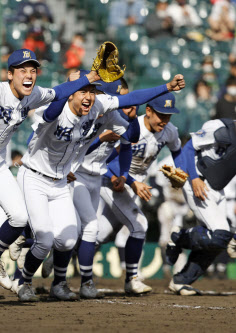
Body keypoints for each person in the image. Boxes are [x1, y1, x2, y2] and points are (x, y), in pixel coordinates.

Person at [0, 48, 103, 306]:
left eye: (33, 70)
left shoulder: (33, 94)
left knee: (20, 217)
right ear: (10, 74)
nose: (29, 75)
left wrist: (89, 77)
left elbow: (59, 92)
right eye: (22, 70)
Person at [14, 74, 184, 302]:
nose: (90, 97)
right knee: (72, 232)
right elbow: (35, 139)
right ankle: (28, 265)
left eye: (93, 92)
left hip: (73, 176)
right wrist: (102, 138)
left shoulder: (104, 108)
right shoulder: (60, 108)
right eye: (85, 91)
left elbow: (130, 135)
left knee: (69, 238)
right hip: (61, 174)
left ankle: (54, 272)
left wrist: (163, 90)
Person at [96, 92, 185, 295]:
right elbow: (109, 160)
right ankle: (132, 278)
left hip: (135, 184)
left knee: (100, 233)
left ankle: (59, 259)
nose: (164, 120)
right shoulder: (128, 125)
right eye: (161, 114)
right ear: (149, 110)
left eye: (169, 115)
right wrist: (131, 181)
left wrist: (180, 173)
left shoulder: (170, 131)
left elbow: (178, 151)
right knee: (139, 225)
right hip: (113, 180)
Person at [71, 77, 140, 299]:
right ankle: (28, 245)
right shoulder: (85, 114)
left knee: (82, 232)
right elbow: (77, 147)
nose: (124, 102)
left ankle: (73, 279)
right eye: (120, 98)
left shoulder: (115, 116)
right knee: (78, 230)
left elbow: (130, 140)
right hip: (75, 174)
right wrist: (101, 138)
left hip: (96, 177)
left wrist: (124, 174)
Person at [166, 118, 235, 295]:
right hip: (198, 183)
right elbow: (188, 148)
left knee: (219, 242)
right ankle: (179, 236)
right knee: (221, 234)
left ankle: (181, 281)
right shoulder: (219, 127)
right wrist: (193, 179)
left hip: (218, 189)